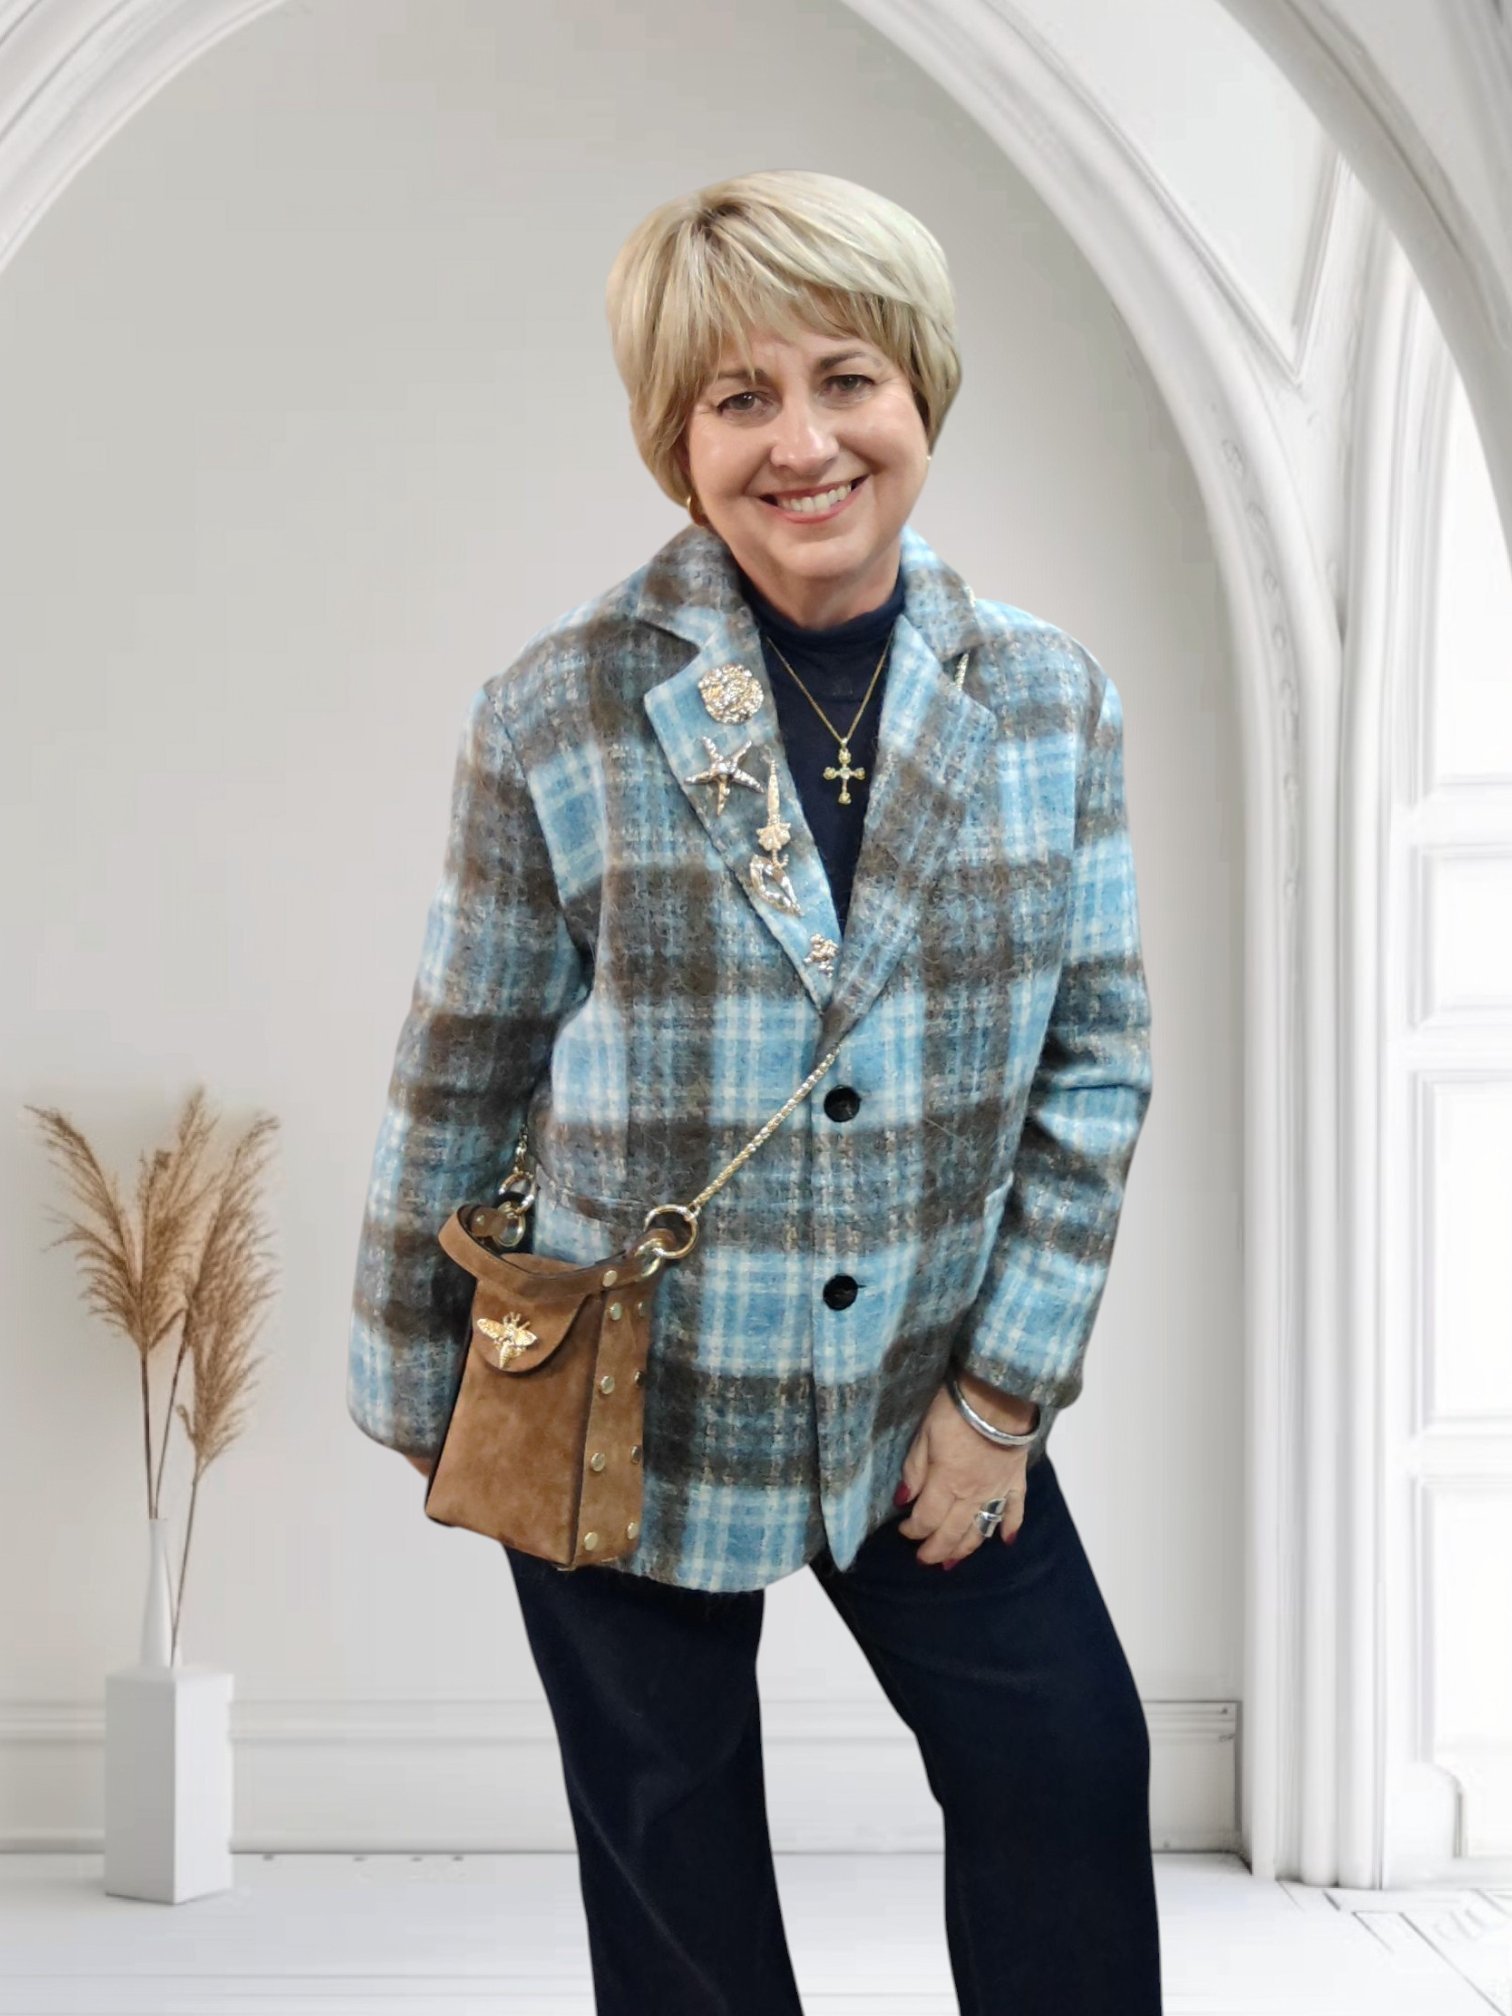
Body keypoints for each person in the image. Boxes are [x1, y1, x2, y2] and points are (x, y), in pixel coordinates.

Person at [349, 169, 1161, 2015]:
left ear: (920, 393)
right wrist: (421, 1381)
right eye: (740, 398)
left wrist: (1004, 1399)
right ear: (678, 441)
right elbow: (461, 1061)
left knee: (1066, 1767)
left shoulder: (1052, 702)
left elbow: (1097, 1059)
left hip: (932, 1393)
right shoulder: (556, 708)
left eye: (847, 379)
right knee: (673, 1856)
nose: (802, 443)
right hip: (627, 1392)